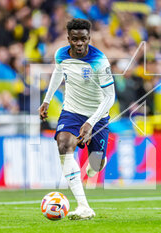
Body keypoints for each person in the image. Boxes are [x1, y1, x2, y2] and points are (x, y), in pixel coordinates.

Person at [39, 18, 115, 220]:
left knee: (96, 165)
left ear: (89, 38)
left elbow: (110, 97)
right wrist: (47, 100)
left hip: (97, 115)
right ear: (69, 39)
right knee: (63, 144)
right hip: (71, 110)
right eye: (75, 39)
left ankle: (96, 163)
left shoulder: (100, 61)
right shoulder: (61, 54)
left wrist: (91, 122)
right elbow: (58, 73)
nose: (79, 43)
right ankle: (83, 206)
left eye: (83, 39)